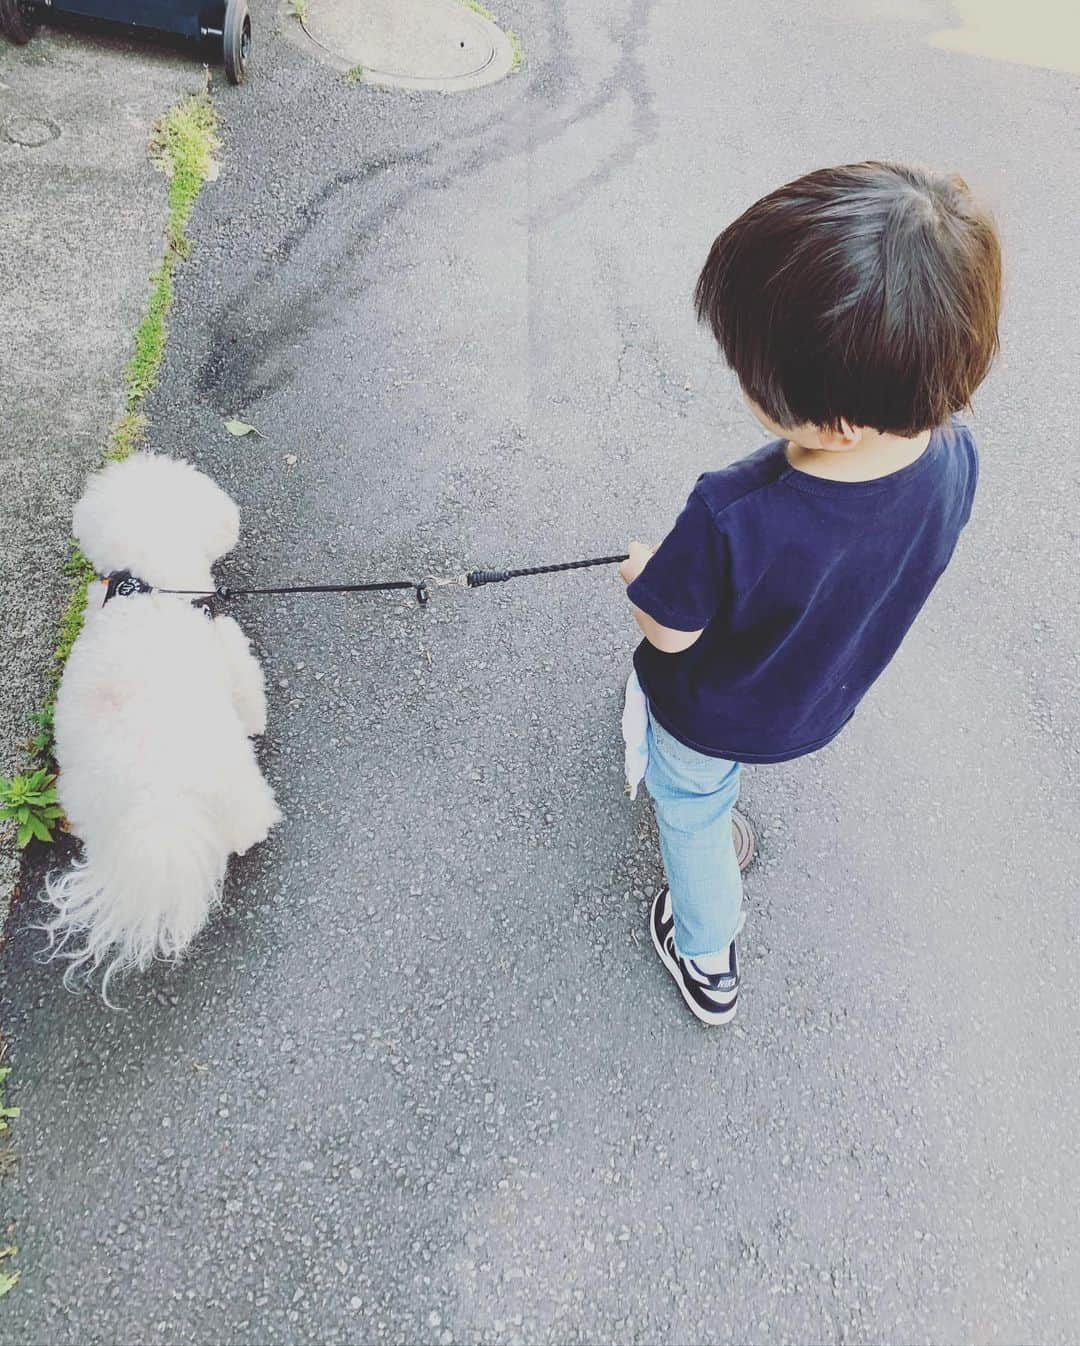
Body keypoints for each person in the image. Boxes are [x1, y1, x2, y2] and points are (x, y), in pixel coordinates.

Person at [620, 161, 1001, 1025]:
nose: (743, 378)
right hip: (816, 694)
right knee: (717, 782)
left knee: (689, 802)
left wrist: (645, 576)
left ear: (837, 426)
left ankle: (705, 945)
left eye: (754, 374)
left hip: (711, 707)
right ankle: (720, 836)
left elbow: (669, 633)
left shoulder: (734, 512)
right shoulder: (952, 461)